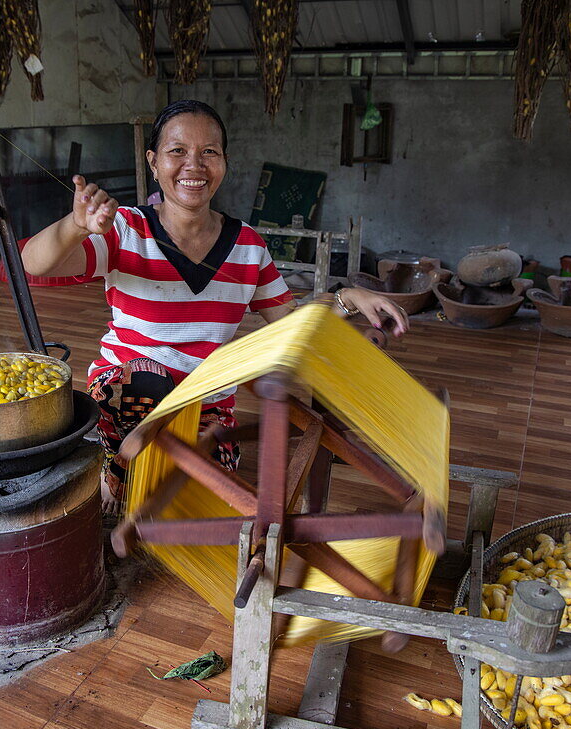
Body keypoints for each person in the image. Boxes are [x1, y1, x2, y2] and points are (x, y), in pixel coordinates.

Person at [22, 100, 408, 513]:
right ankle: (118, 465)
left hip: (206, 405)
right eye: (177, 151)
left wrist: (349, 296)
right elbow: (34, 263)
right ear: (153, 162)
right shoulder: (124, 229)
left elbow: (292, 325)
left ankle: (135, 471)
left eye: (209, 152)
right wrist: (76, 226)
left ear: (223, 163)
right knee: (148, 401)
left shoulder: (246, 247)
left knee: (193, 502)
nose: (194, 165)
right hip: (128, 396)